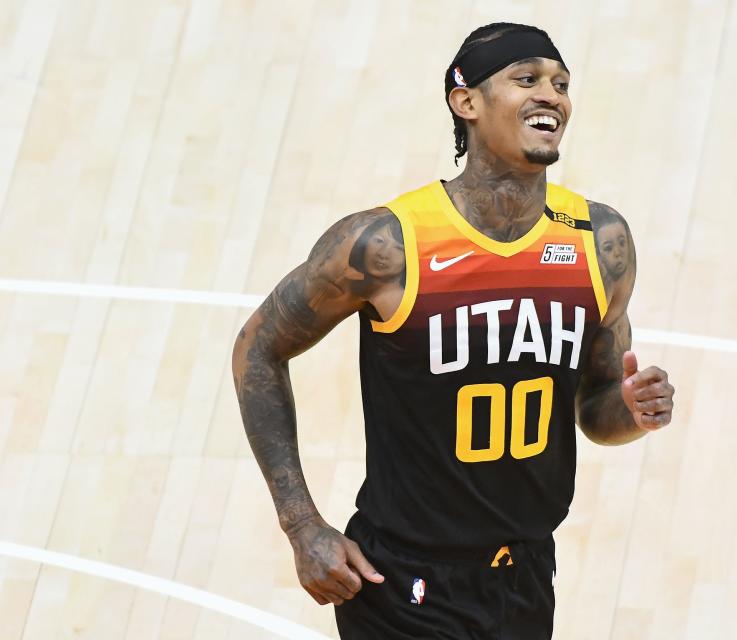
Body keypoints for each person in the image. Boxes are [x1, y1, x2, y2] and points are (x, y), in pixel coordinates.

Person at [232, 21, 675, 639]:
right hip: (404, 584)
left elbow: (597, 413)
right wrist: (302, 524)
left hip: (523, 577)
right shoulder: (386, 244)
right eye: (527, 79)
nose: (552, 95)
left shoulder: (598, 242)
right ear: (465, 101)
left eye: (562, 84)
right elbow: (257, 352)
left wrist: (632, 410)